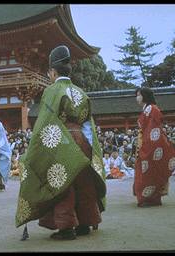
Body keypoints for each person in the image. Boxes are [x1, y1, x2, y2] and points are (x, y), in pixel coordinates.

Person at [15, 45, 106, 240]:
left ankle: (66, 227)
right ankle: (86, 222)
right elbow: (88, 124)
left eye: (49, 73)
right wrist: (91, 149)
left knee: (62, 182)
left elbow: (45, 122)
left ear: (53, 72)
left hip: (61, 140)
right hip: (82, 139)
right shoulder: (81, 92)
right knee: (84, 181)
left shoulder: (52, 91)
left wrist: (33, 151)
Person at [133, 87, 175, 207]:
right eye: (137, 95)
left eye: (139, 95)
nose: (137, 97)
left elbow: (153, 129)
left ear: (145, 96)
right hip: (145, 142)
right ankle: (149, 198)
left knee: (150, 171)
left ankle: (149, 198)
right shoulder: (147, 109)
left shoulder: (152, 109)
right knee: (146, 171)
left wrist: (146, 145)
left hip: (151, 143)